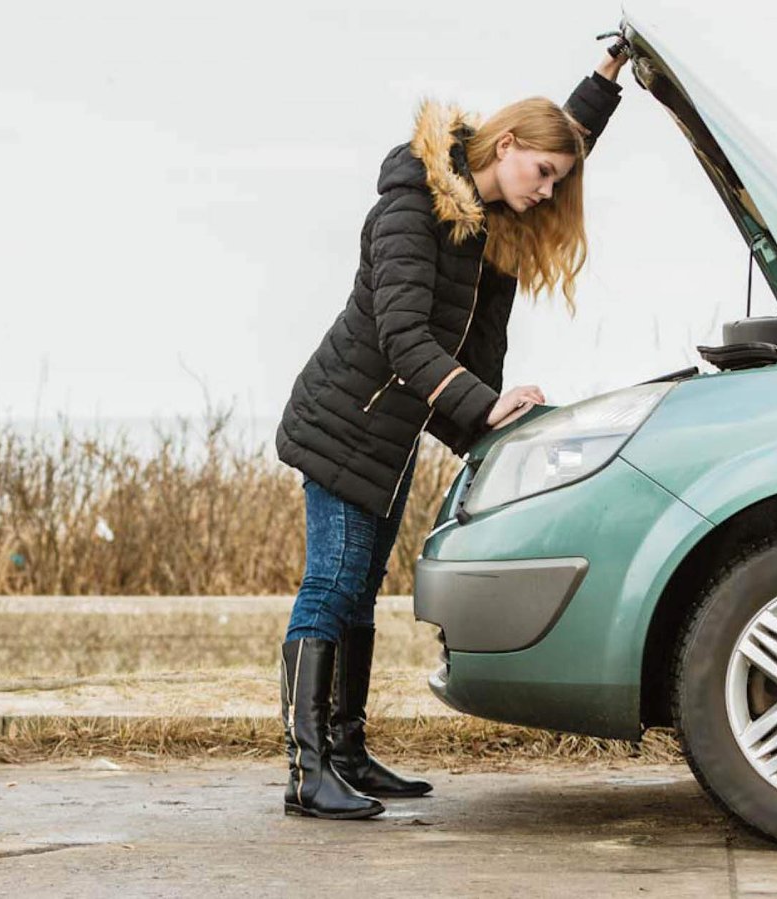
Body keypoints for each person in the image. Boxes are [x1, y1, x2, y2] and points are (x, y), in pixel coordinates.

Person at [273, 39, 631, 819]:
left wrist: (605, 83)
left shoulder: (495, 201)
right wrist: (483, 405)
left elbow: (560, 135)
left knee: (360, 592)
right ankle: (307, 773)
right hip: (345, 421)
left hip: (393, 429)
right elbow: (403, 338)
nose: (548, 193)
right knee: (330, 585)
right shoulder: (411, 206)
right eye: (543, 176)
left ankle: (347, 752)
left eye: (558, 181)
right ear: (505, 147)